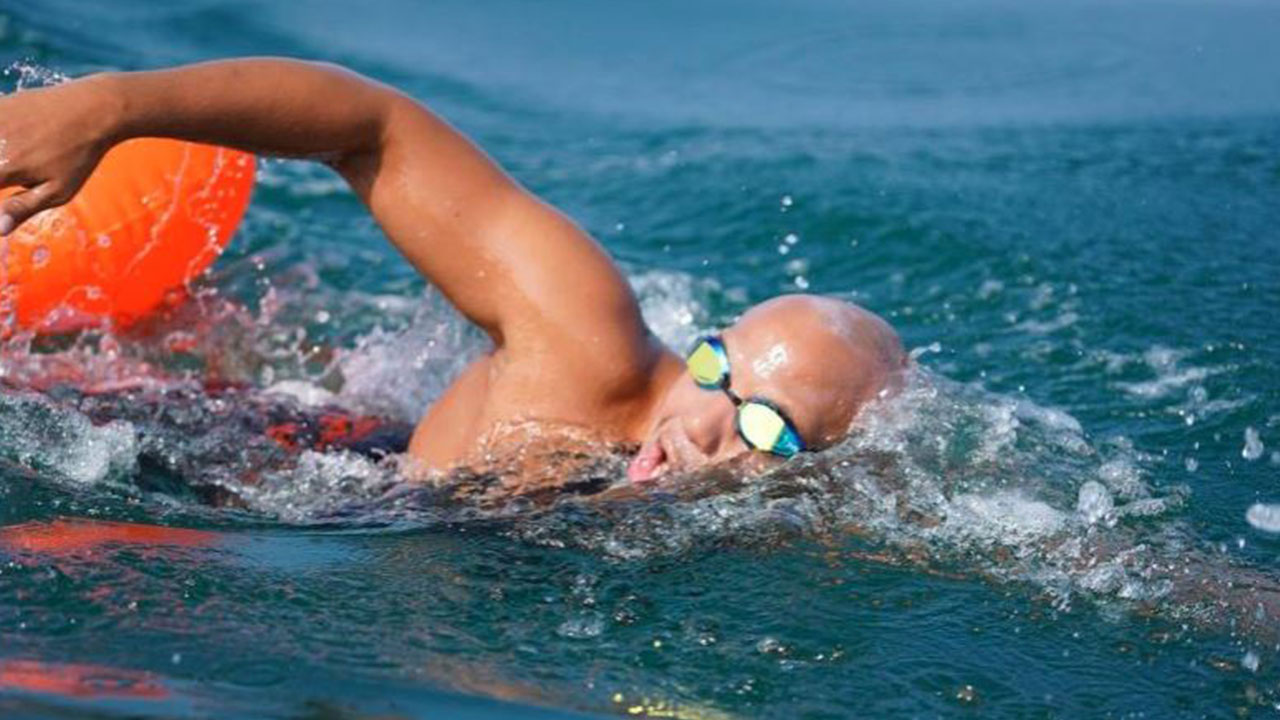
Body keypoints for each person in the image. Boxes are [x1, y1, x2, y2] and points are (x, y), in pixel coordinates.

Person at [0, 58, 906, 487]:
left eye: (765, 426)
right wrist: (105, 109)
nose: (702, 423)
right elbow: (373, 128)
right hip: (284, 467)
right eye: (715, 369)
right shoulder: (582, 344)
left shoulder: (799, 518)